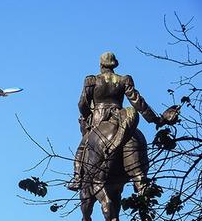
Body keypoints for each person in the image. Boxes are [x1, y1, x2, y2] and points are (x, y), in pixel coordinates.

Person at [67, 52, 162, 192]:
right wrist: (154, 118)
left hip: (99, 120)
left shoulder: (92, 80)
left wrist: (88, 117)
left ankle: (77, 178)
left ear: (101, 65)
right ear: (114, 65)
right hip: (120, 116)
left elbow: (82, 104)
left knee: (83, 146)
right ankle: (141, 180)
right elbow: (137, 101)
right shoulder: (124, 80)